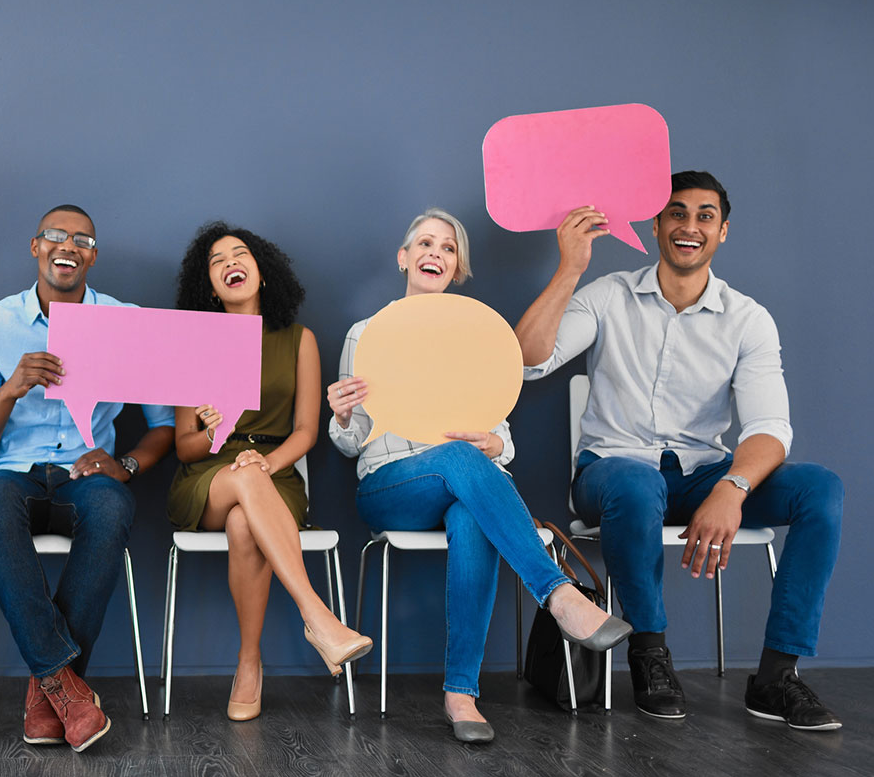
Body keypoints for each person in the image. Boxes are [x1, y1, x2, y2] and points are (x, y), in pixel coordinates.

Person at [515, 172, 844, 730]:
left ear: (722, 232)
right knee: (635, 483)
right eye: (677, 213)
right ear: (655, 223)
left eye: (704, 216)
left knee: (820, 490)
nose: (690, 226)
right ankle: (649, 653)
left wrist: (730, 488)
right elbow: (526, 358)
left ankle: (775, 678)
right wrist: (572, 267)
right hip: (611, 475)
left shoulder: (747, 319)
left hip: (702, 477)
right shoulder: (608, 295)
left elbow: (770, 428)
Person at [329, 208, 629, 743]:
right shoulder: (366, 333)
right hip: (390, 486)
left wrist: (495, 441)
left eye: (448, 248)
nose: (435, 253)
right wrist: (344, 415)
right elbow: (352, 445)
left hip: (462, 485)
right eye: (424, 243)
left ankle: (461, 694)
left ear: (457, 269)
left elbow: (501, 438)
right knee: (461, 460)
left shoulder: (475, 339)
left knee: (471, 510)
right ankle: (559, 597)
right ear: (404, 257)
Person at [0, 204, 176, 752]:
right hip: (12, 473)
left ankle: (47, 690)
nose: (67, 246)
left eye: (81, 240)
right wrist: (11, 388)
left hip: (84, 473)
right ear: (35, 247)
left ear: (93, 256)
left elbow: (163, 427)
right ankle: (65, 688)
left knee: (112, 507)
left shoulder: (126, 322)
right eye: (55, 236)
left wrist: (125, 465)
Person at [165, 221, 372, 721]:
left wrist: (267, 461)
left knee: (245, 520)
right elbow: (184, 447)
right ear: (208, 286)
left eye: (240, 255)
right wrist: (211, 431)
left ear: (262, 272)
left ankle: (248, 663)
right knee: (239, 487)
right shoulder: (192, 344)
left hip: (276, 471)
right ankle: (317, 617)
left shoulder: (299, 340)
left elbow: (306, 430)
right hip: (209, 476)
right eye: (217, 261)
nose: (230, 264)